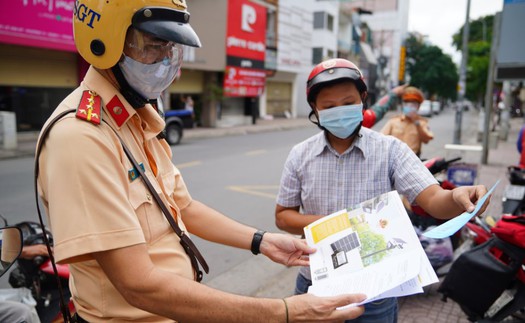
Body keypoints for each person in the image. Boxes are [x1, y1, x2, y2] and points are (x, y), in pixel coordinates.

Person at [36, 1, 366, 322]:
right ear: (104, 41)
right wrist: (284, 312)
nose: (165, 62)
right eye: (153, 46)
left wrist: (261, 241)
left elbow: (184, 207)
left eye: (170, 49)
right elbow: (139, 285)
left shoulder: (136, 118)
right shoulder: (82, 137)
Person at [275, 58, 489, 323]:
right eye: (329, 106)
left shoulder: (390, 150)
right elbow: (283, 216)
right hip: (314, 287)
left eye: (348, 102)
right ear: (314, 108)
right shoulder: (300, 155)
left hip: (376, 293)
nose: (339, 111)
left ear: (363, 99)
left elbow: (433, 199)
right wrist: (341, 225)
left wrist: (457, 197)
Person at [380, 86, 434, 157]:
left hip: (412, 160)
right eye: (407, 104)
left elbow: (427, 139)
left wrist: (417, 123)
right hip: (393, 158)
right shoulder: (393, 121)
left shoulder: (422, 123)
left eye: (413, 105)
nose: (410, 107)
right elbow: (381, 138)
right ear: (403, 105)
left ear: (418, 107)